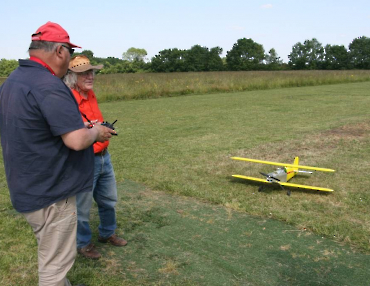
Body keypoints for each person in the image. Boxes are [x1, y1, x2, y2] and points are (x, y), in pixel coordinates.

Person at [0, 22, 115, 286]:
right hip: (51, 193)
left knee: (50, 251)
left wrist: (81, 127)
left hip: (28, 187)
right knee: (54, 267)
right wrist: (95, 132)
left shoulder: (13, 80)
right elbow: (76, 141)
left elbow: (33, 127)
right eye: (69, 52)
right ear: (61, 52)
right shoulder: (49, 85)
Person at [63, 55, 127, 260]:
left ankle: (107, 233)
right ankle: (83, 243)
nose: (90, 76)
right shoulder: (68, 98)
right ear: (72, 76)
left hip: (103, 156)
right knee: (81, 207)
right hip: (83, 159)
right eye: (84, 73)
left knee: (108, 199)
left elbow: (93, 123)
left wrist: (102, 129)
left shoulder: (90, 94)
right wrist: (93, 129)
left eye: (91, 72)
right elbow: (71, 130)